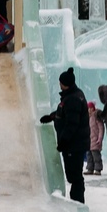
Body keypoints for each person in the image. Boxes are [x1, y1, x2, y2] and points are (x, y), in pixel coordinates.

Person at [39, 67, 91, 203]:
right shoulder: (72, 96)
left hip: (74, 145)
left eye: (60, 82)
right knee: (74, 175)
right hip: (74, 145)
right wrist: (51, 117)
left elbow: (71, 124)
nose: (59, 84)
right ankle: (76, 201)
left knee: (75, 177)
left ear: (64, 83)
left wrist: (63, 141)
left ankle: (78, 203)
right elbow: (64, 113)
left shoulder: (73, 99)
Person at [84, 101, 104, 176]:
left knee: (96, 156)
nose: (89, 110)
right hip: (89, 140)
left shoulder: (96, 116)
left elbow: (101, 128)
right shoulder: (87, 117)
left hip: (95, 140)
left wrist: (100, 138)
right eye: (88, 108)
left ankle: (98, 169)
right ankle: (90, 168)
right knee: (89, 155)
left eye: (90, 108)